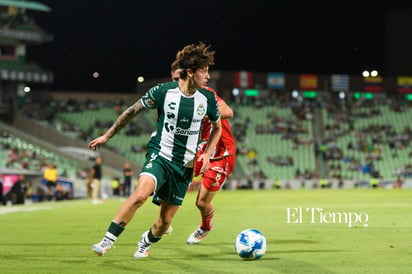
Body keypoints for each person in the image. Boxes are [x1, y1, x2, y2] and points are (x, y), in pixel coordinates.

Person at [89, 41, 222, 258]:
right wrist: (107, 135)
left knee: (164, 222)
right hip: (160, 154)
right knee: (140, 195)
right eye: (204, 71)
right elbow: (132, 111)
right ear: (190, 72)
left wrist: (207, 154)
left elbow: (218, 128)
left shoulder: (207, 98)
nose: (208, 76)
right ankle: (106, 241)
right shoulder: (162, 92)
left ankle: (145, 242)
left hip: (185, 165)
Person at [170, 60, 237, 244]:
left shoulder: (206, 94)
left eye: (181, 76)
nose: (179, 81)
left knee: (201, 203)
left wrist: (202, 112)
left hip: (220, 154)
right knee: (168, 178)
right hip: (198, 151)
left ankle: (206, 227)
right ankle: (163, 222)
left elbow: (228, 111)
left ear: (189, 74)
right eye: (176, 78)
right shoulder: (174, 98)